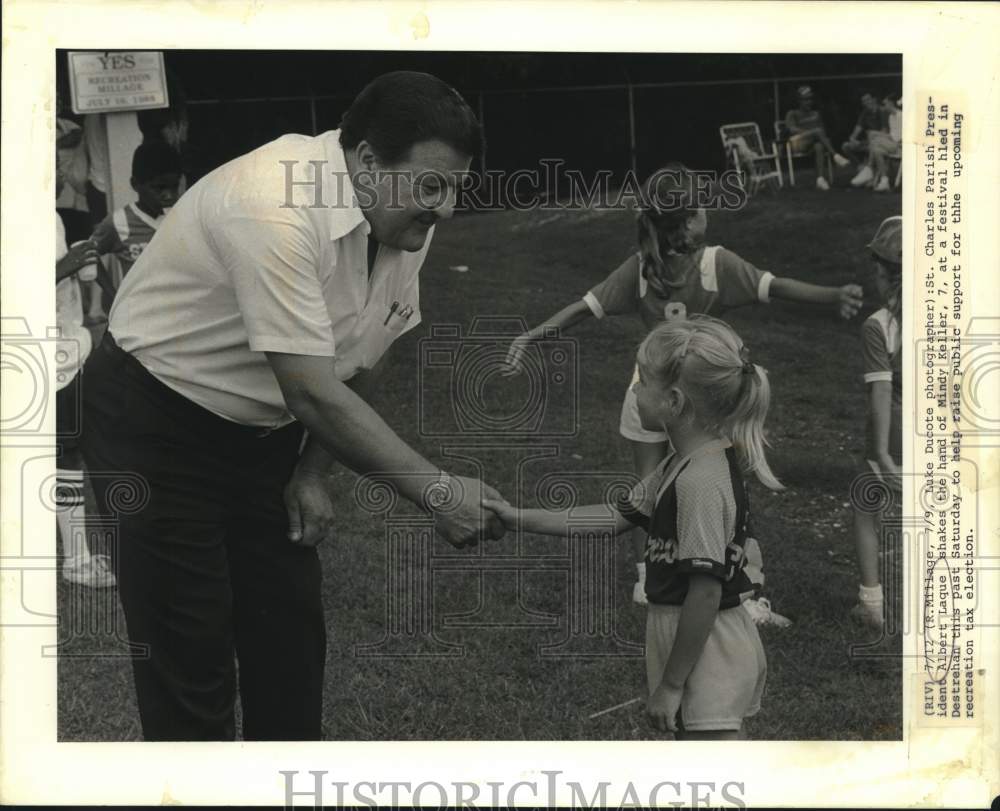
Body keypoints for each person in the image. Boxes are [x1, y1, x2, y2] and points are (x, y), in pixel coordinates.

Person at [80, 71, 506, 741]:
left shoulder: (401, 218)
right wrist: (439, 491)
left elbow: (367, 345)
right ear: (366, 162)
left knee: (290, 644)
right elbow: (311, 388)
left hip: (266, 428)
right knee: (191, 657)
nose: (447, 208)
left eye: (456, 187)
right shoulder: (271, 203)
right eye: (433, 186)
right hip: (155, 418)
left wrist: (309, 472)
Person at [505, 165, 863, 610]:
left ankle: (646, 581)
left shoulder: (640, 268)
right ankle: (740, 589)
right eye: (703, 208)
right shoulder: (716, 263)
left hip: (647, 393)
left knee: (644, 492)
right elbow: (778, 287)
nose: (708, 214)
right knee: (725, 492)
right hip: (704, 398)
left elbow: (582, 308)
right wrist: (834, 295)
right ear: (689, 221)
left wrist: (531, 335)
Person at [487, 316, 780, 739]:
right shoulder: (680, 463)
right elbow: (612, 517)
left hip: (708, 648)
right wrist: (516, 517)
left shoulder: (700, 481)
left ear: (675, 402)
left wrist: (673, 683)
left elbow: (706, 590)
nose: (634, 391)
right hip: (692, 640)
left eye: (641, 383)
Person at [55, 164, 115, 588]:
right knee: (65, 457)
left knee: (68, 455)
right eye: (53, 160)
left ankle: (77, 558)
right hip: (39, 358)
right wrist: (64, 267)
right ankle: (77, 561)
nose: (62, 169)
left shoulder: (52, 217)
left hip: (66, 354)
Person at [851, 216, 902, 627]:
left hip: (896, 433)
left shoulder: (878, 326)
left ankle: (871, 602)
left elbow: (881, 391)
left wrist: (882, 451)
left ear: (888, 276)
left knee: (866, 508)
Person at [90, 142, 182, 287]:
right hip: (140, 308)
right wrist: (112, 295)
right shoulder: (119, 222)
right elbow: (87, 255)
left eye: (174, 186)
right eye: (159, 188)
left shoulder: (183, 216)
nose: (169, 195)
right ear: (135, 184)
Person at [783, 85, 851, 190]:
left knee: (819, 146)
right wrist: (811, 132)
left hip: (812, 142)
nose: (808, 102)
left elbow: (822, 131)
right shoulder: (792, 113)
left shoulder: (815, 114)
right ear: (799, 101)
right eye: (805, 100)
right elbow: (791, 129)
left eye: (810, 99)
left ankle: (820, 179)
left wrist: (815, 134)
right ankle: (836, 156)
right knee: (817, 132)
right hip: (797, 142)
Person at [843, 90, 888, 179]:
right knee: (846, 146)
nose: (866, 103)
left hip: (880, 142)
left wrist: (872, 135)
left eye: (867, 100)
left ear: (873, 100)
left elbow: (885, 132)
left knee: (871, 141)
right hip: (867, 142)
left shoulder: (881, 111)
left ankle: (869, 171)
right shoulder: (865, 113)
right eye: (863, 101)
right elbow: (857, 129)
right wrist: (853, 139)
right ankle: (861, 168)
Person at [862, 93, 902, 193]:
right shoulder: (891, 117)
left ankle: (869, 168)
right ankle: (885, 180)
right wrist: (881, 135)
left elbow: (898, 138)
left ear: (891, 104)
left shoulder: (901, 116)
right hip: (892, 144)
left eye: (886, 104)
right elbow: (892, 135)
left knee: (873, 137)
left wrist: (879, 135)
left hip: (901, 146)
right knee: (877, 150)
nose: (884, 106)